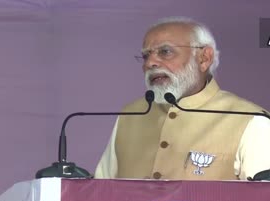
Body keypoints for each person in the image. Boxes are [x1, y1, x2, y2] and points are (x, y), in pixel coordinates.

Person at [94, 16, 270, 180]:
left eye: (165, 51)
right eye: (146, 55)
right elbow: (100, 193)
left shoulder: (252, 120)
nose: (150, 63)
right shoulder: (130, 115)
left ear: (204, 58)